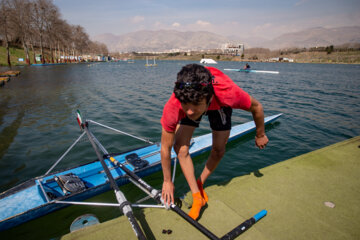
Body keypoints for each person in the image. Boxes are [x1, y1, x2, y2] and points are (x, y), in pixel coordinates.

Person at [160, 64, 268, 220]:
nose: (189, 111)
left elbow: (257, 107)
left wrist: (260, 134)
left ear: (208, 97)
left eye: (196, 106)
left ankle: (200, 182)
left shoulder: (228, 93)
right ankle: (197, 196)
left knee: (218, 150)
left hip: (219, 104)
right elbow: (165, 147)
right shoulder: (177, 103)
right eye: (186, 107)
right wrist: (167, 181)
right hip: (195, 99)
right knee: (180, 148)